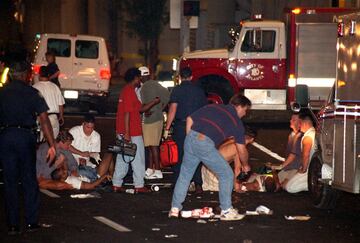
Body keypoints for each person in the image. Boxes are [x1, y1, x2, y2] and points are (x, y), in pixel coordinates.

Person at [169, 93, 252, 221]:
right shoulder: (236, 122)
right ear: (239, 107)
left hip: (191, 138)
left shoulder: (213, 107)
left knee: (185, 175)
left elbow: (190, 118)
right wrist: (246, 165)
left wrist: (191, 139)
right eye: (245, 110)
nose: (245, 114)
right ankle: (226, 210)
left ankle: (174, 209)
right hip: (205, 143)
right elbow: (241, 149)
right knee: (227, 174)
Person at [0, 60, 56, 235]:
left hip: (6, 137)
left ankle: (13, 225)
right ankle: (31, 222)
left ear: (10, 75)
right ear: (26, 75)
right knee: (29, 180)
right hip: (25, 138)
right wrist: (51, 144)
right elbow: (44, 120)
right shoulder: (33, 93)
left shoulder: (2, 93)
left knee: (10, 182)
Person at [112, 67, 160, 193]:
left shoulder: (127, 91)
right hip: (132, 131)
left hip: (123, 130)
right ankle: (139, 185)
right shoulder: (129, 91)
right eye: (139, 77)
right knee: (138, 158)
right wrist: (128, 133)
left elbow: (140, 109)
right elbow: (128, 113)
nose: (140, 80)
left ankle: (116, 183)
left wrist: (153, 102)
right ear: (135, 78)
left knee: (123, 157)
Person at [165, 67, 207, 193]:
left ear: (180, 77)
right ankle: (198, 183)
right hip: (197, 126)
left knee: (179, 155)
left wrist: (167, 128)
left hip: (181, 126)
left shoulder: (177, 90)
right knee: (196, 154)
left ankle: (178, 183)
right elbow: (204, 110)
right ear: (191, 76)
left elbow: (172, 110)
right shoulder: (199, 91)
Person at [37, 130, 113, 189]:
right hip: (70, 175)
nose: (69, 146)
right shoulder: (45, 150)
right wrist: (57, 164)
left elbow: (73, 164)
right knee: (99, 171)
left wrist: (76, 166)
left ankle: (104, 177)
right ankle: (101, 178)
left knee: (108, 156)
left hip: (78, 170)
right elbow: (45, 175)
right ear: (61, 142)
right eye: (68, 144)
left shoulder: (64, 148)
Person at [202, 127, 256, 192]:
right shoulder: (240, 149)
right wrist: (237, 188)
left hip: (205, 167)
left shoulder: (229, 139)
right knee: (220, 192)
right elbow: (237, 169)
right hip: (214, 171)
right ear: (252, 139)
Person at [140, 67, 170, 179]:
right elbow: (167, 95)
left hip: (150, 120)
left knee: (152, 146)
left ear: (142, 76)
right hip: (158, 118)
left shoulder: (144, 88)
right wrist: (161, 107)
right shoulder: (156, 84)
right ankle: (150, 169)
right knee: (152, 145)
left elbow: (142, 106)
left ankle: (157, 170)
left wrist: (147, 109)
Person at [69, 115, 114, 180]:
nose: (90, 130)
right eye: (88, 127)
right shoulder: (74, 131)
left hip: (86, 161)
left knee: (109, 154)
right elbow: (67, 146)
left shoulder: (96, 136)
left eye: (92, 128)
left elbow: (95, 153)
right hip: (72, 160)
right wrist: (81, 153)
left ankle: (111, 177)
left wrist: (91, 155)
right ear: (83, 124)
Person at [282, 113, 317, 193]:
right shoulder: (314, 133)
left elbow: (306, 155)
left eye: (300, 123)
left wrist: (303, 170)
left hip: (309, 169)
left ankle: (313, 185)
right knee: (288, 184)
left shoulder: (307, 137)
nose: (299, 125)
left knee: (289, 187)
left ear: (305, 122)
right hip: (313, 168)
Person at [33, 66, 65, 139]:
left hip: (40, 118)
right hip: (53, 118)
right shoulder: (55, 87)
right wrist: (61, 116)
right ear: (48, 75)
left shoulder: (35, 87)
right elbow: (60, 104)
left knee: (40, 142)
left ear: (39, 75)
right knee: (52, 142)